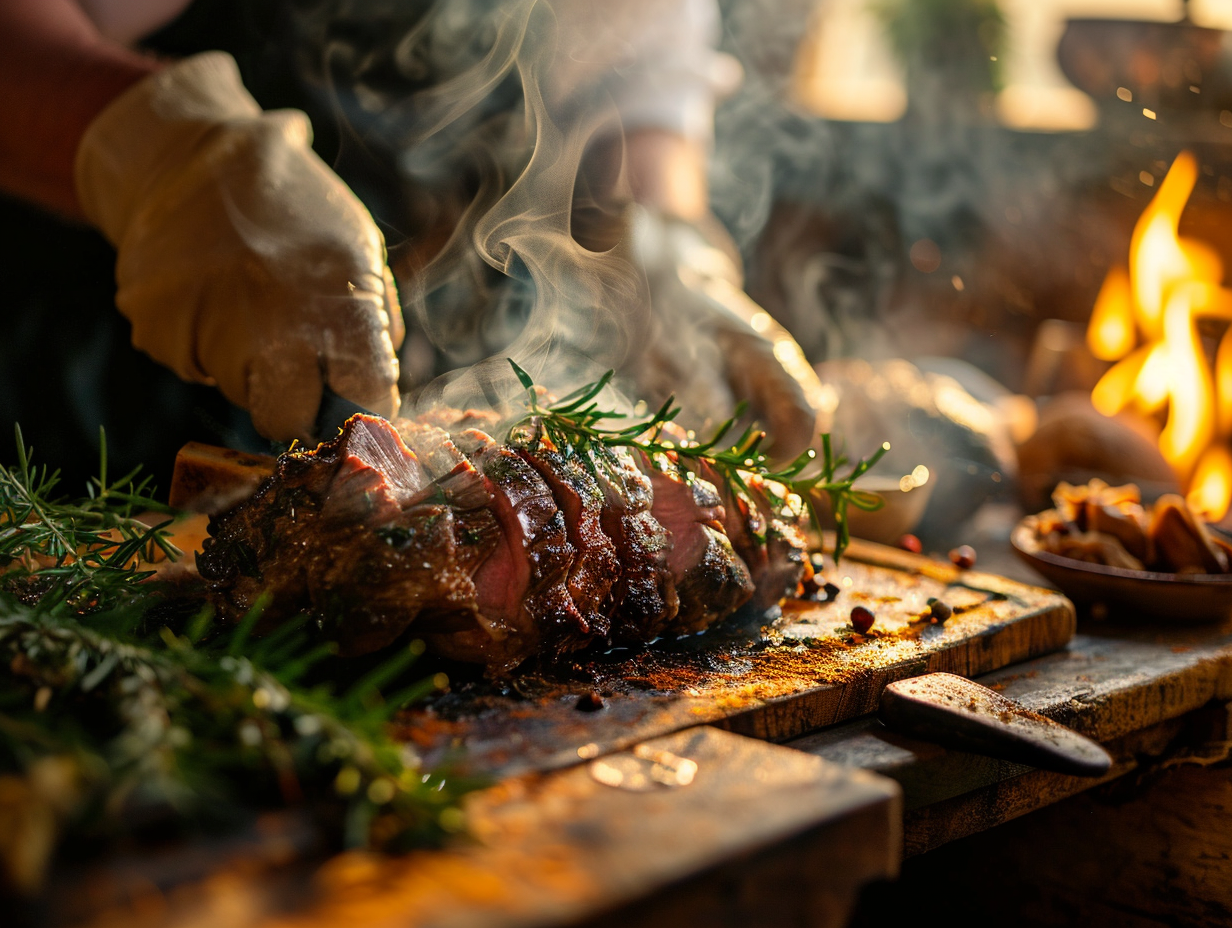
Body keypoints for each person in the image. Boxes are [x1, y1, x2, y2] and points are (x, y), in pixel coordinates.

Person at [0, 0, 823, 491]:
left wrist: (669, 240)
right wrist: (166, 159)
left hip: (407, 354)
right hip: (68, 379)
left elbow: (645, 65)